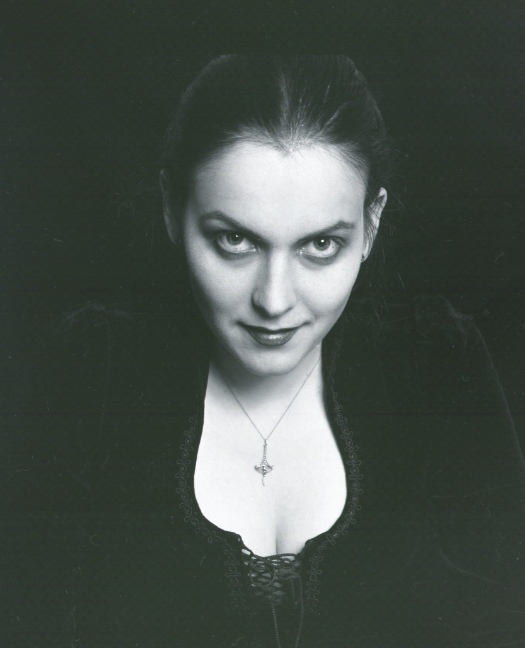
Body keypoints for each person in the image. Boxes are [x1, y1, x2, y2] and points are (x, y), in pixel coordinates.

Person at [4, 55, 525, 648]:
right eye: (234, 240)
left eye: (320, 244)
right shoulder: (89, 369)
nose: (274, 300)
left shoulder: (437, 361)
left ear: (371, 225)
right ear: (173, 208)